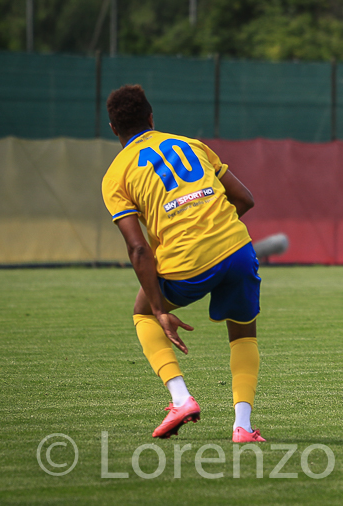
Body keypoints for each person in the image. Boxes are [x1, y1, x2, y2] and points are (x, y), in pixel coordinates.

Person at [101, 84, 266, 442]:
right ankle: (242, 426)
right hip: (237, 248)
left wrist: (160, 309)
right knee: (243, 333)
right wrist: (214, 228)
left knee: (143, 313)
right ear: (151, 117)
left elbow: (138, 249)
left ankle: (181, 400)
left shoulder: (115, 176)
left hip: (185, 259)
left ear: (113, 129)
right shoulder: (191, 145)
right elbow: (245, 199)